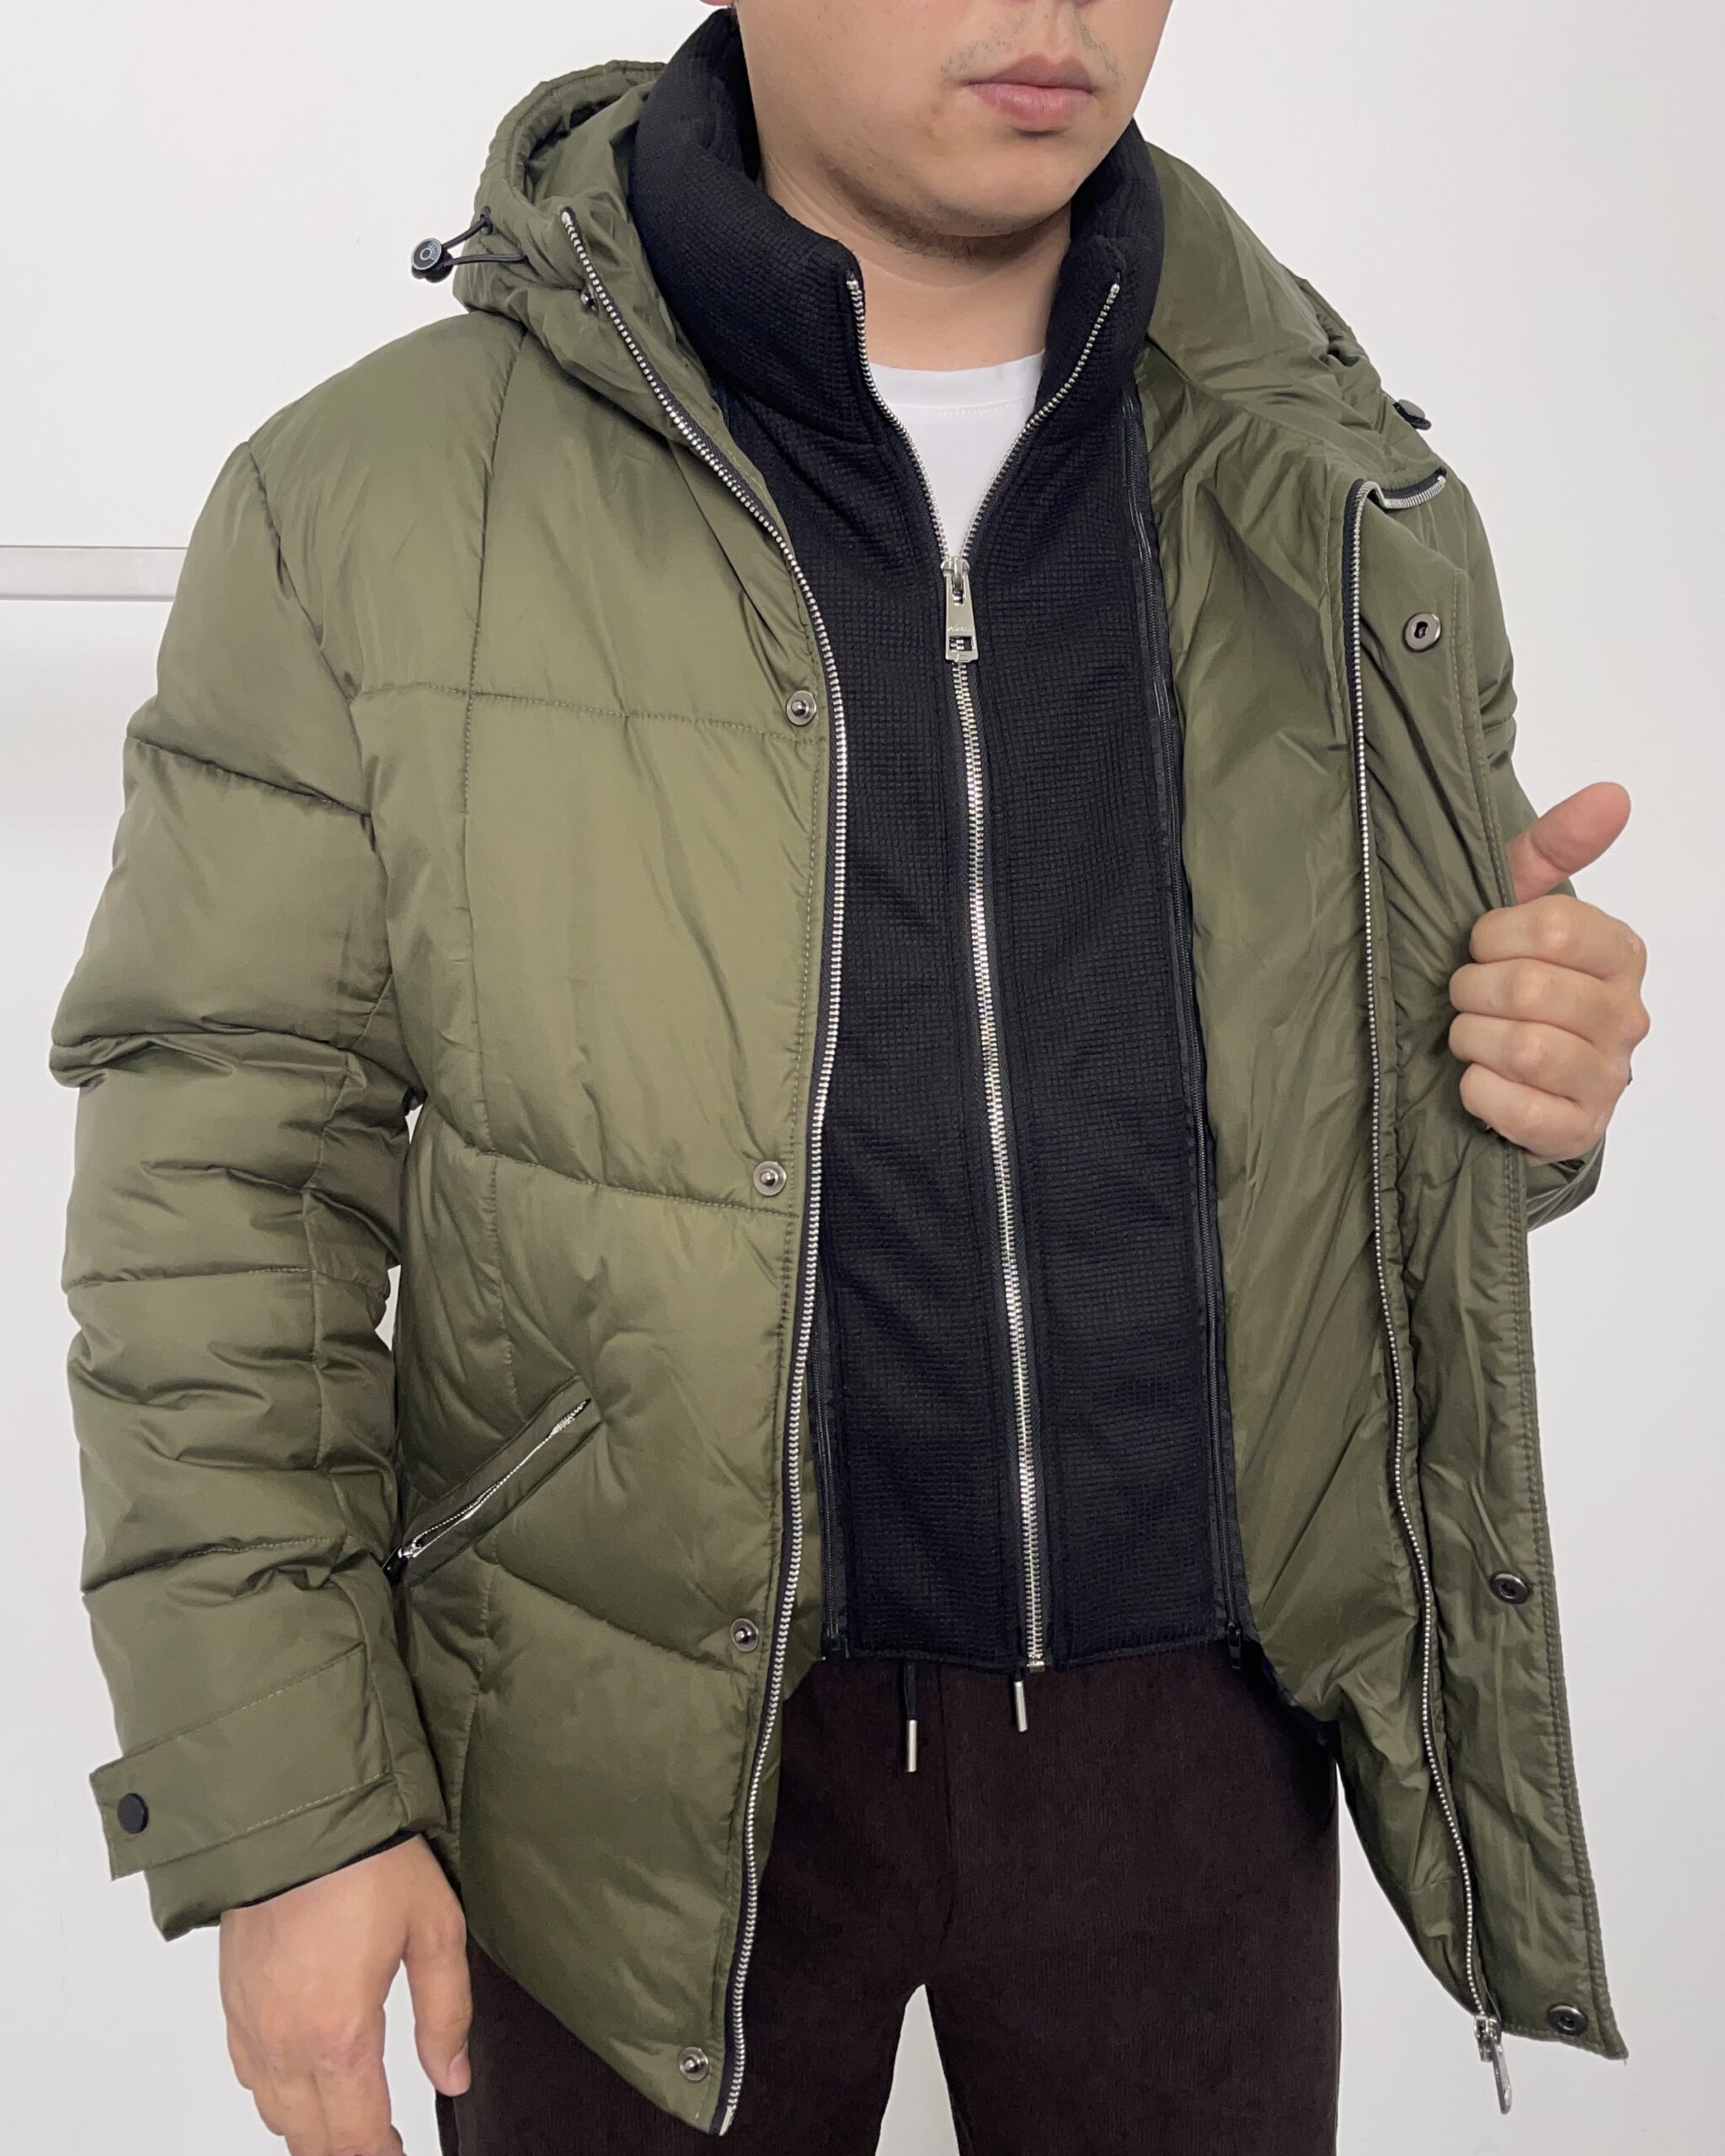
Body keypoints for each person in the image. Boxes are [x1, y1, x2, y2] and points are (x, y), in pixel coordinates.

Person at [49, 3, 1650, 2152]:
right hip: (613, 1745)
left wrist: (1524, 1075)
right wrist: (289, 1805)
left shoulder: (1334, 489)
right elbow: (221, 1189)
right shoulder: (369, 497)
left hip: (1197, 1729)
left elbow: (1383, 1109)